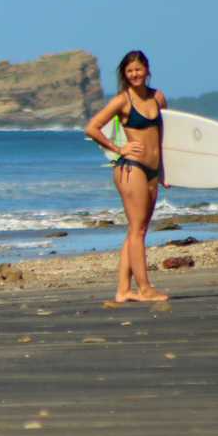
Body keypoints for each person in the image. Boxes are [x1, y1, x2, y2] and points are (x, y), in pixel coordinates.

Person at [84, 50, 169, 302]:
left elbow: (165, 137)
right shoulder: (123, 100)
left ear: (146, 70)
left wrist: (164, 170)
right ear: (124, 74)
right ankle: (144, 289)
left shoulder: (158, 98)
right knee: (138, 230)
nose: (134, 74)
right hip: (131, 168)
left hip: (153, 171)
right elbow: (92, 127)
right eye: (129, 71)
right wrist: (118, 148)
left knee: (136, 229)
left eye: (138, 70)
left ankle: (123, 290)